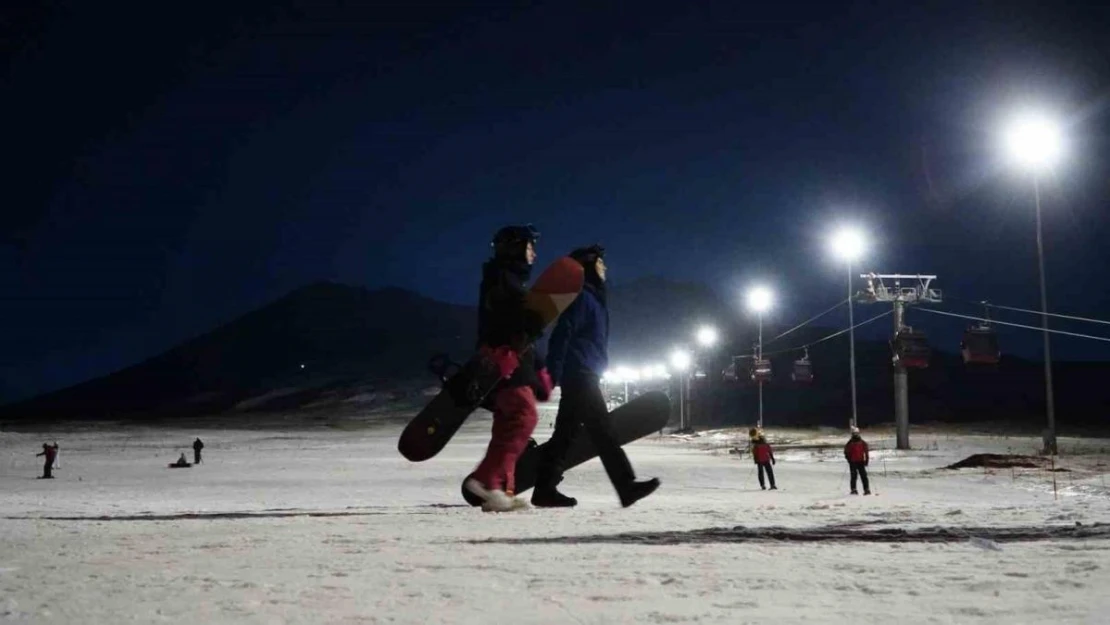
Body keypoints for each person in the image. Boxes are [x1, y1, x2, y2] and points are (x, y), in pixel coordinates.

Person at [532, 244, 660, 508]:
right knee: (602, 431)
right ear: (589, 266)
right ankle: (625, 486)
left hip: (584, 372)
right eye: (601, 263)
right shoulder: (583, 299)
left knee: (567, 433)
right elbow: (561, 335)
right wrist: (552, 371)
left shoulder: (594, 300)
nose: (605, 268)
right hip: (580, 372)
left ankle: (544, 488)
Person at [464, 225, 553, 512]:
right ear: (514, 248)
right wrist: (531, 320)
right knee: (522, 418)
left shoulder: (509, 280)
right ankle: (486, 481)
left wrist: (539, 367)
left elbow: (523, 329)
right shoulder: (501, 281)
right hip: (506, 364)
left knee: (508, 427)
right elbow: (511, 325)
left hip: (512, 363)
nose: (534, 253)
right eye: (529, 247)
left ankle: (501, 490)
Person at [844, 426, 871, 495]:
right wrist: (849, 460)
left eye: (856, 433)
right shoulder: (850, 443)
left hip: (860, 461)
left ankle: (866, 489)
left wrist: (866, 460)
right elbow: (846, 452)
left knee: (863, 476)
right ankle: (854, 489)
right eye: (854, 433)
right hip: (853, 462)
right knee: (854, 476)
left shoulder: (862, 442)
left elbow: (866, 451)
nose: (855, 435)